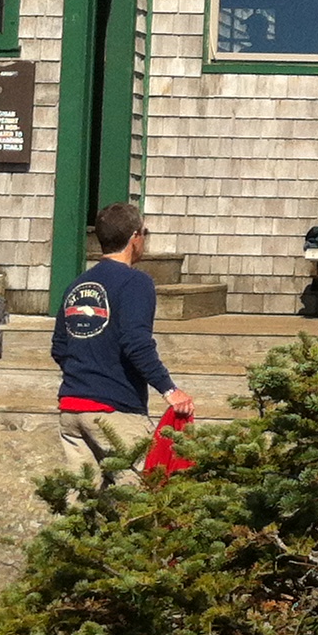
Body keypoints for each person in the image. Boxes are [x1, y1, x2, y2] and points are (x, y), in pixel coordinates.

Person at [52, 201, 196, 469]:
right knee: (138, 498)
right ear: (134, 237)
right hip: (114, 411)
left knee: (82, 499)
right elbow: (136, 343)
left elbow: (59, 346)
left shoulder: (77, 284)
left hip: (71, 409)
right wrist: (170, 390)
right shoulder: (136, 282)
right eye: (144, 233)